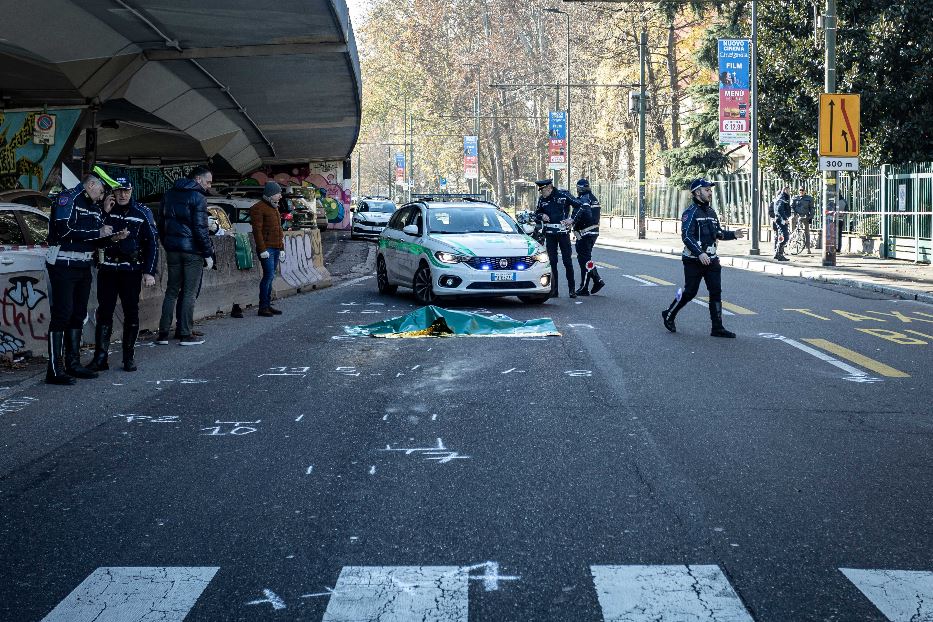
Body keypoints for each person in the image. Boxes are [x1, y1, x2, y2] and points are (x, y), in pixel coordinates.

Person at [45, 173, 128, 385]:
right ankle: (54, 369)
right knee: (62, 314)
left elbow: (95, 239)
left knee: (78, 313)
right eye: (101, 191)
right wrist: (97, 231)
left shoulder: (94, 207)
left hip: (83, 266)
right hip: (63, 265)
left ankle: (72, 363)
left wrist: (111, 238)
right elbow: (64, 230)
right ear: (91, 184)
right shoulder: (68, 198)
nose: (102, 196)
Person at [87, 177, 158, 372]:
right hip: (108, 269)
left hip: (131, 270)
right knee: (104, 313)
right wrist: (103, 213)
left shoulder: (142, 212)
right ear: (113, 192)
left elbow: (152, 243)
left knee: (131, 312)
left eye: (126, 190)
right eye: (118, 191)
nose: (122, 195)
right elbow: (92, 235)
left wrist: (149, 272)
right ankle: (100, 358)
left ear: (131, 190)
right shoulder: (104, 210)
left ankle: (129, 357)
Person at [661, 178, 747, 338]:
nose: (710, 193)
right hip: (693, 260)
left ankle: (717, 328)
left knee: (715, 292)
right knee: (690, 292)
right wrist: (700, 253)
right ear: (697, 192)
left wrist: (733, 234)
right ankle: (669, 314)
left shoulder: (711, 212)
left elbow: (718, 233)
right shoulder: (690, 212)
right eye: (707, 190)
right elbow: (687, 236)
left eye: (710, 190)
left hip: (712, 259)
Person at [156, 166, 214, 346]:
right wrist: (208, 253)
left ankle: (163, 333)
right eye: (208, 181)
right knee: (189, 292)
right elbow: (200, 229)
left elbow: (160, 223)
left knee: (171, 291)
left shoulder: (169, 194)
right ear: (198, 179)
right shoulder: (198, 198)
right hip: (192, 251)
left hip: (172, 250)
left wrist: (168, 244)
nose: (209, 186)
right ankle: (185, 333)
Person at [534, 178, 582, 298]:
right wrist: (542, 215)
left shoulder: (563, 195)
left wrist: (572, 219)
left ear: (549, 188)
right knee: (552, 262)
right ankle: (554, 290)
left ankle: (572, 290)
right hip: (550, 234)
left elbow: (579, 206)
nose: (541, 193)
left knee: (567, 261)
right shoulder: (542, 200)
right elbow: (536, 214)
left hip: (563, 233)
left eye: (543, 190)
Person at [250, 181, 286, 317]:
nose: (280, 196)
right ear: (271, 194)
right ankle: (263, 307)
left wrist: (281, 247)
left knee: (271, 277)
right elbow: (257, 231)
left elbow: (279, 230)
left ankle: (267, 305)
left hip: (275, 247)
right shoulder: (258, 208)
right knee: (268, 276)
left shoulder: (274, 207)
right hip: (267, 249)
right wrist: (262, 248)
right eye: (278, 194)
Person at [570, 178, 606, 296]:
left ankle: (584, 287)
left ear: (579, 188)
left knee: (584, 260)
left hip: (585, 233)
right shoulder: (593, 198)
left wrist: (572, 223)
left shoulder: (583, 199)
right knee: (586, 259)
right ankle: (597, 280)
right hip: (593, 232)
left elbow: (582, 215)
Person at [791, 186, 815, 254]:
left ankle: (808, 248)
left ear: (805, 191)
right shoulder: (795, 198)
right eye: (800, 190)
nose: (801, 191)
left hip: (805, 216)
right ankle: (792, 238)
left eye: (802, 190)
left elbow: (812, 208)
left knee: (806, 232)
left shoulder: (809, 198)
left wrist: (811, 216)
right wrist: (794, 214)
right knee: (791, 221)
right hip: (796, 215)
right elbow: (792, 207)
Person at [771, 187, 791, 261]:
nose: (789, 191)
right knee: (785, 237)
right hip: (781, 220)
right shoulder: (782, 197)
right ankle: (779, 254)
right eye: (788, 190)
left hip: (780, 220)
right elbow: (779, 209)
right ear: (785, 190)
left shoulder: (783, 197)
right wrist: (785, 219)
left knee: (782, 236)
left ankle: (777, 253)